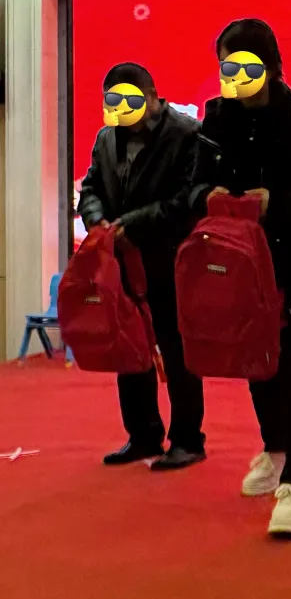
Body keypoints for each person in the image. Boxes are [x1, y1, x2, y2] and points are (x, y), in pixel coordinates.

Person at [189, 18, 291, 537]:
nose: (234, 75)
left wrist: (276, 204)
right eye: (226, 66)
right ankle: (275, 449)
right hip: (244, 267)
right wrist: (211, 198)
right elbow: (192, 185)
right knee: (256, 364)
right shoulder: (216, 121)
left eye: (243, 64)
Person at [77, 62, 207, 470]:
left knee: (177, 348)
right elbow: (91, 186)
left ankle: (188, 439)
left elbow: (189, 199)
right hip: (120, 262)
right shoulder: (106, 137)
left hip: (169, 257)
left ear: (151, 96)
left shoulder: (186, 133)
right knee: (128, 345)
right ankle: (143, 434)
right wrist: (96, 219)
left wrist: (132, 224)